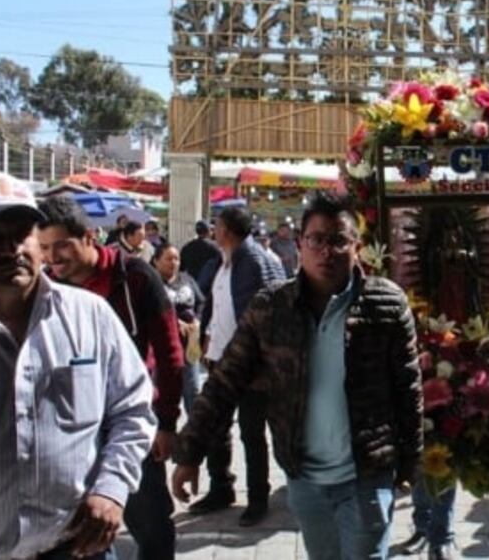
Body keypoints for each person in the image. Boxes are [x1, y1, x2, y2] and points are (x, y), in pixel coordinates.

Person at [172, 190, 423, 560]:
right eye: (317, 239)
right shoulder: (271, 308)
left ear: (357, 246)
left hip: (367, 475)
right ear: (300, 244)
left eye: (339, 240)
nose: (327, 250)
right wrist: (190, 452)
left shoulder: (385, 304)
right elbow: (225, 382)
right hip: (304, 480)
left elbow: (408, 387)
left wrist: (410, 463)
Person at [0, 173, 156, 560]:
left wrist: (110, 488)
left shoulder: (89, 316)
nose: (11, 249)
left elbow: (132, 409)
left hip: (75, 547)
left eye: (21, 233)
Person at [37, 196, 185, 560]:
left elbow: (169, 353)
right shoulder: (45, 289)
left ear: (89, 237)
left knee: (150, 523)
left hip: (134, 423)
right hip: (74, 428)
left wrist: (165, 423)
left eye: (61, 246)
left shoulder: (135, 276)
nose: (53, 258)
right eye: (43, 249)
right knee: (86, 531)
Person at [187, 206, 285, 526]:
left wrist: (257, 362)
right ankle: (221, 488)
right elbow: (216, 307)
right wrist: (206, 341)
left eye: (217, 227)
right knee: (217, 427)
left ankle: (258, 498)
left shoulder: (256, 261)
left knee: (252, 433)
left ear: (227, 230)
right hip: (219, 361)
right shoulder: (224, 261)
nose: (213, 232)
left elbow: (265, 319)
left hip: (250, 368)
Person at [153, 242, 207, 416]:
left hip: (190, 343)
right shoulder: (151, 282)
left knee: (193, 388)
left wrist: (198, 320)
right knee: (163, 391)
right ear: (156, 261)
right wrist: (174, 323)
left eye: (176, 258)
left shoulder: (186, 279)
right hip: (164, 345)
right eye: (168, 258)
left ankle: (195, 432)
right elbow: (150, 309)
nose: (173, 262)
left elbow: (202, 302)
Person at [180, 219, 222, 283]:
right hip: (209, 285)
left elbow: (181, 268)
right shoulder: (216, 247)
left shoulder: (187, 247)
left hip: (192, 285)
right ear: (208, 231)